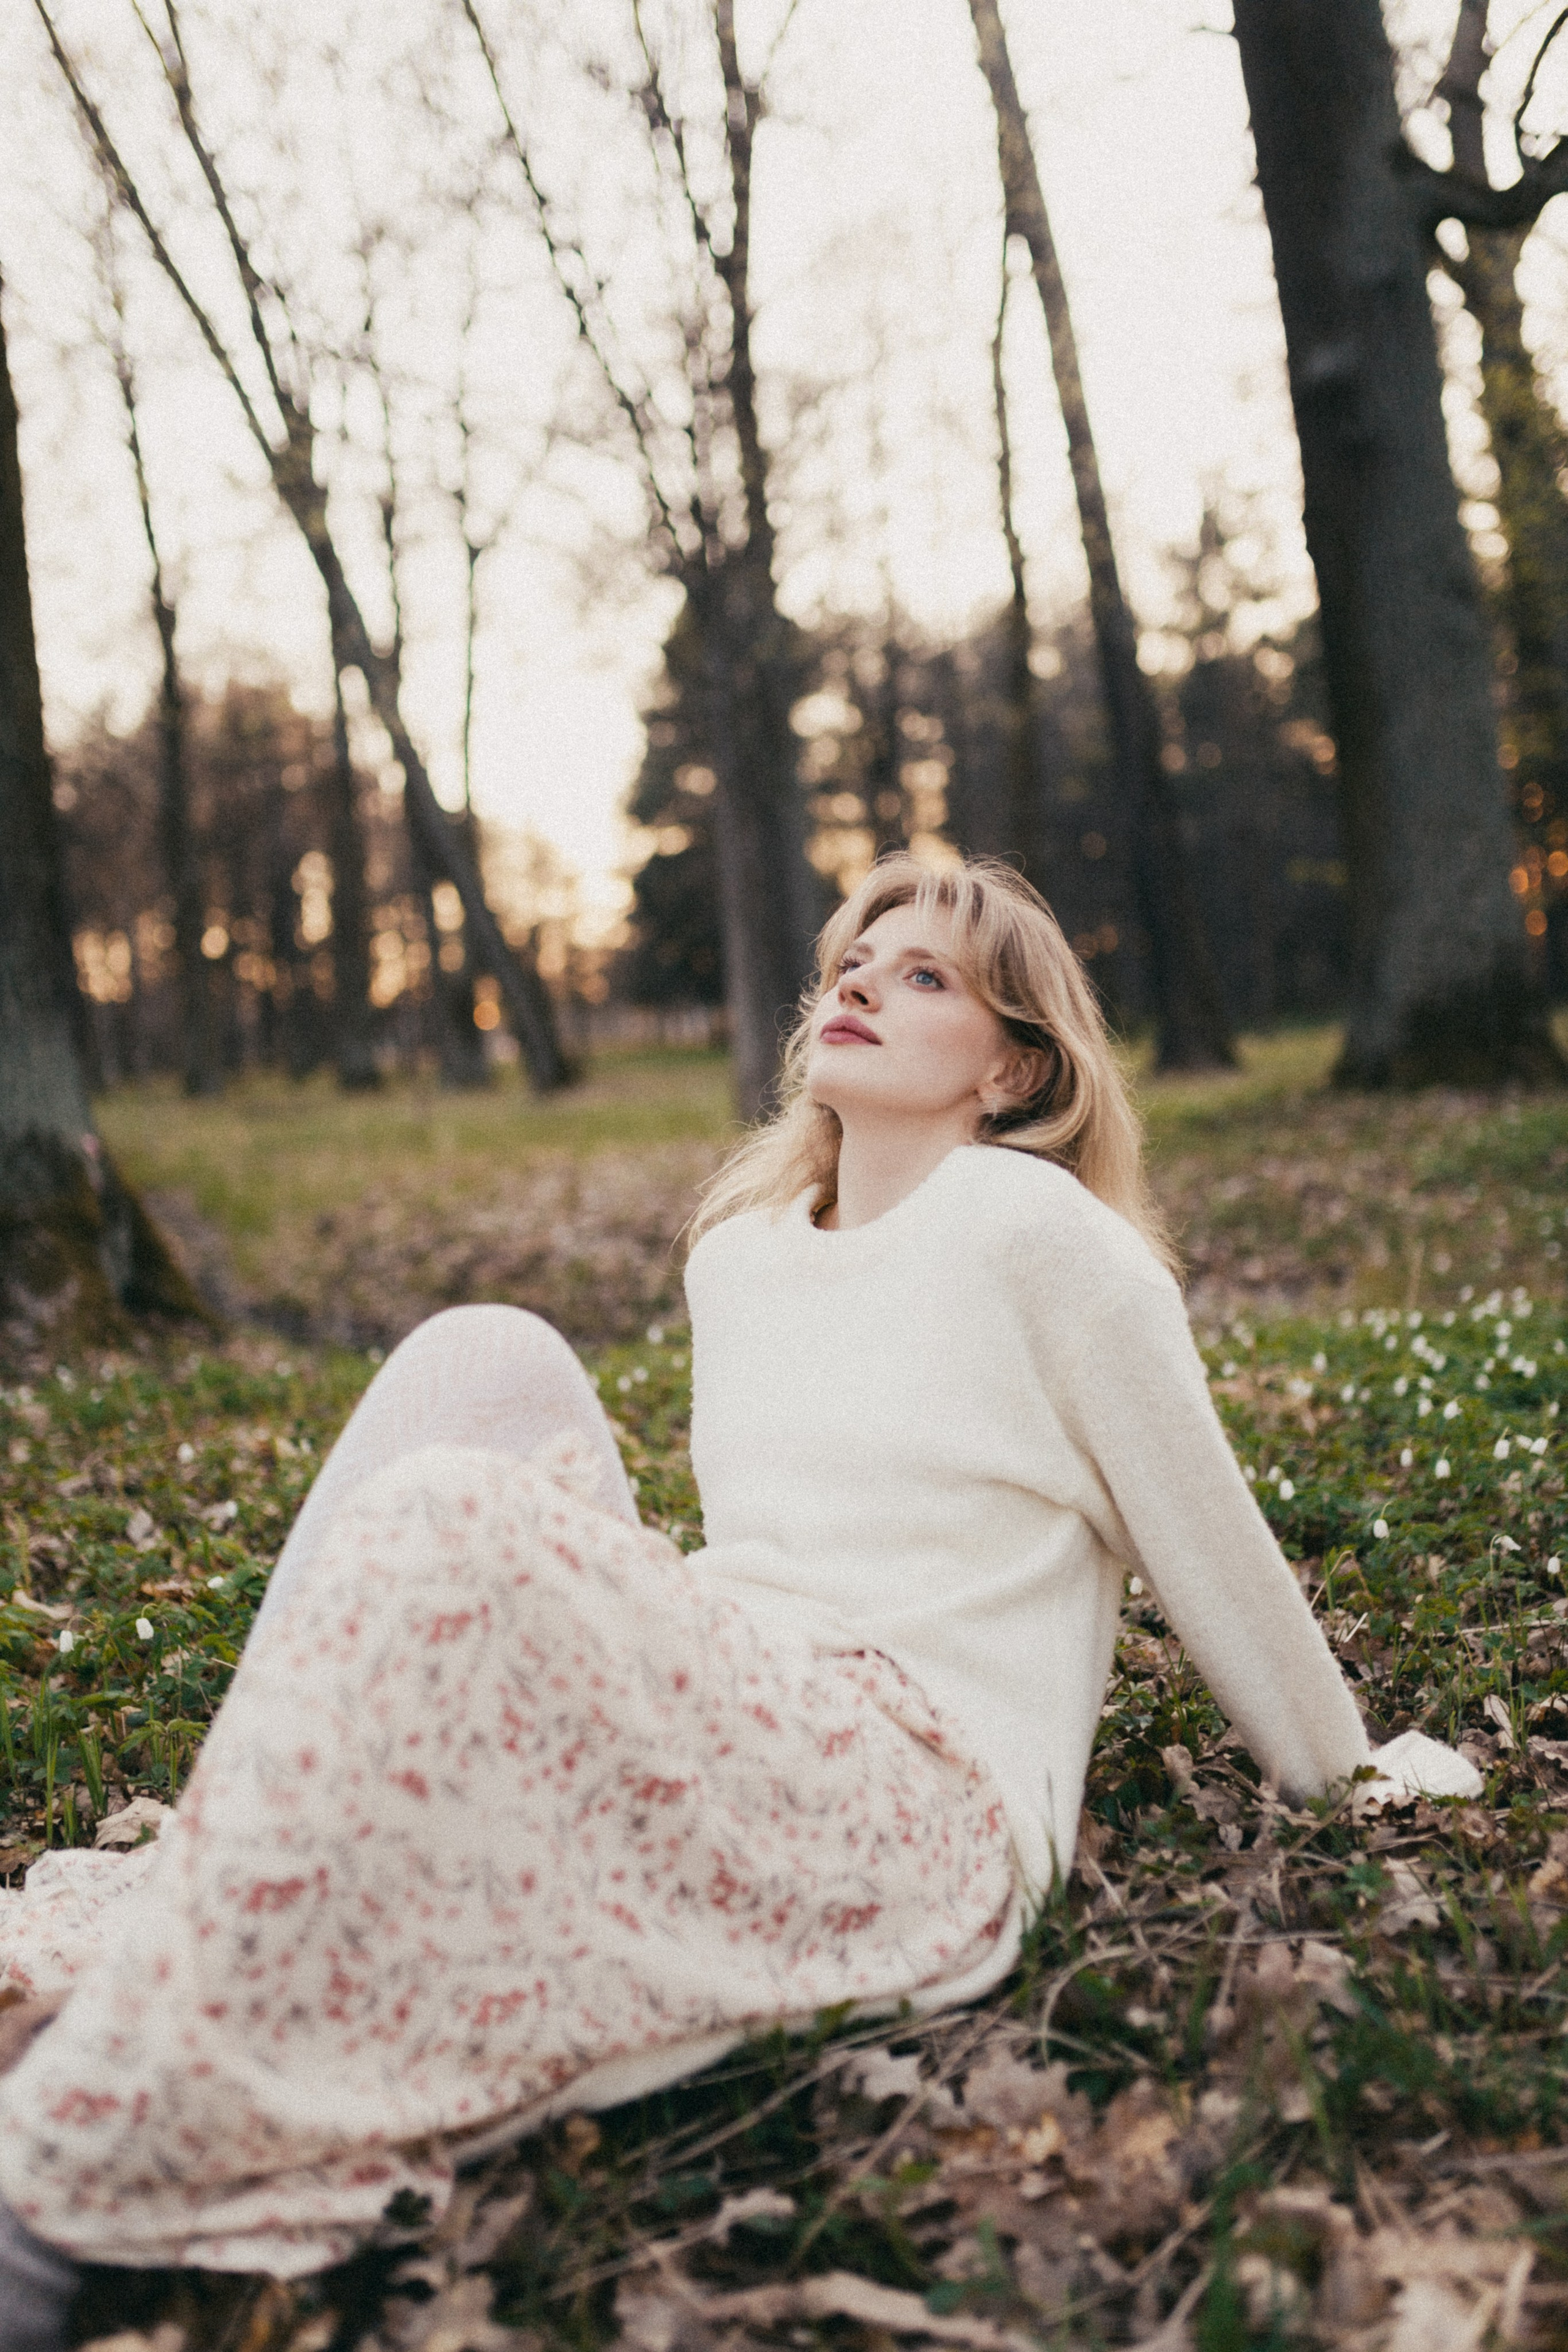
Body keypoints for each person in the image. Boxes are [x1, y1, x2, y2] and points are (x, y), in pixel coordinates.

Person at [0, 854, 1476, 2348]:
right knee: (482, 1357)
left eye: (923, 977)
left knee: (456, 1514)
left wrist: (1344, 1772)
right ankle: (220, 1875)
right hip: (751, 1691)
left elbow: (1208, 1544)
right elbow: (766, 1555)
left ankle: (65, 2176)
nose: (860, 983)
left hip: (915, 1781)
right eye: (853, 962)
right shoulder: (741, 1256)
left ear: (1012, 1068)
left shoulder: (1047, 1240)